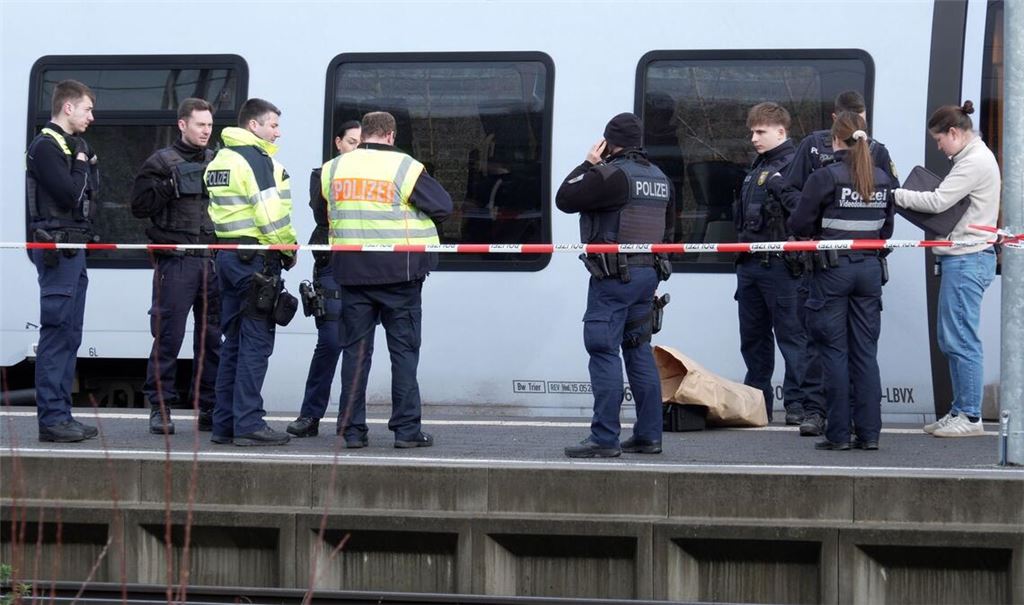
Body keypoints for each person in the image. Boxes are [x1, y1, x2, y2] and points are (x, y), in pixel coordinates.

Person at [773, 90, 898, 437]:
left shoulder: (825, 177)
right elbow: (887, 228)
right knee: (865, 353)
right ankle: (870, 433)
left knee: (831, 350)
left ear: (835, 139)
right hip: (870, 271)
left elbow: (799, 224)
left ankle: (839, 434)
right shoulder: (882, 180)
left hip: (830, 271)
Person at [328, 111, 452, 448]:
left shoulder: (334, 168)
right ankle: (406, 431)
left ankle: (352, 431)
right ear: (391, 135)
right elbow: (443, 206)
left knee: (355, 355)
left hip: (352, 275)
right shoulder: (404, 167)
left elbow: (320, 208)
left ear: (364, 134)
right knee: (404, 354)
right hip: (401, 275)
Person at [556, 113, 674, 458]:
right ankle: (649, 435)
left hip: (614, 278)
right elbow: (669, 231)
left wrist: (588, 162)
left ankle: (604, 438)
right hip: (647, 275)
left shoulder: (609, 175)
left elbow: (565, 197)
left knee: (603, 349)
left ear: (609, 142)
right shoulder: (660, 177)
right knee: (638, 350)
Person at [893, 101, 1000, 438]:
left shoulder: (974, 162)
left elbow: (939, 202)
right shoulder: (972, 158)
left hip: (967, 258)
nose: (938, 147)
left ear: (954, 133)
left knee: (961, 339)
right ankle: (958, 409)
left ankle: (969, 416)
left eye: (940, 140)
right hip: (964, 258)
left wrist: (896, 194)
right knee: (951, 337)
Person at [204, 98, 298, 446]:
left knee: (234, 343)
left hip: (228, 257)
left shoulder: (221, 158)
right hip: (256, 260)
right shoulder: (256, 159)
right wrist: (288, 250)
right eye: (272, 124)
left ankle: (224, 424)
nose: (277, 131)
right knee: (256, 344)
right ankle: (249, 423)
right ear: (253, 126)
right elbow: (270, 215)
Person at [130, 98, 220, 436]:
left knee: (211, 338)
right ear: (182, 125)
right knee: (169, 335)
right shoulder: (160, 162)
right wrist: (169, 186)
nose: (206, 131)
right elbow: (139, 207)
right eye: (200, 125)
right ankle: (160, 406)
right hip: (176, 260)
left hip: (211, 259)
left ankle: (208, 406)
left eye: (209, 125)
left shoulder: (217, 161)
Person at [26, 79, 100, 443]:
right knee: (56, 335)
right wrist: (82, 162)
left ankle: (62, 416)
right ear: (67, 107)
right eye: (87, 108)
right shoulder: (45, 147)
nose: (91, 116)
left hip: (72, 250)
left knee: (70, 335)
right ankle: (52, 420)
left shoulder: (67, 146)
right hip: (57, 252)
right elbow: (70, 195)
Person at [287, 120, 364, 437]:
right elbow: (322, 213)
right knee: (330, 341)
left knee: (359, 345)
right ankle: (310, 416)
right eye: (351, 141)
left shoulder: (375, 176)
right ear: (338, 143)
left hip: (364, 265)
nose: (356, 148)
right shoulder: (323, 174)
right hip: (331, 263)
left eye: (361, 143)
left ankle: (350, 421)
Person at [733, 102, 808, 426]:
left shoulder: (794, 165)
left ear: (781, 131)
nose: (754, 138)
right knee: (753, 338)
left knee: (792, 337)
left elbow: (802, 213)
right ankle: (757, 401)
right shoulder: (757, 167)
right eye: (752, 131)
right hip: (751, 265)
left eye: (760, 131)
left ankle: (798, 404)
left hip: (781, 266)